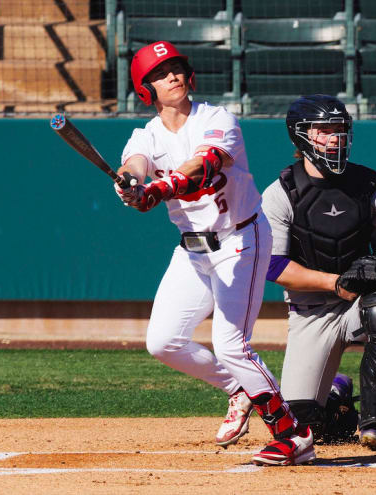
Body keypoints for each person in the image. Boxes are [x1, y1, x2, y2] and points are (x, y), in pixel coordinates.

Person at [114, 40, 314, 466]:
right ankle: (239, 389)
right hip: (192, 250)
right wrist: (131, 184)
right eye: (161, 72)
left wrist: (161, 188)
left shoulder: (218, 117)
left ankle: (294, 434)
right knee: (163, 342)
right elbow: (135, 162)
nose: (173, 76)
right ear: (145, 88)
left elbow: (206, 163)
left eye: (177, 68)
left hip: (240, 239)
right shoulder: (144, 134)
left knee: (231, 345)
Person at [261, 94, 376, 450]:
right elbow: (273, 265)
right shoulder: (282, 192)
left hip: (359, 304)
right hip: (311, 312)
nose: (334, 138)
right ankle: (338, 396)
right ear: (301, 136)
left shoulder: (367, 184)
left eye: (340, 130)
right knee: (306, 428)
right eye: (324, 130)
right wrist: (334, 283)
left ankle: (373, 424)